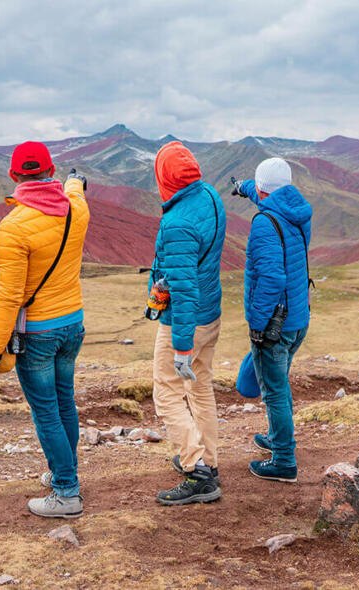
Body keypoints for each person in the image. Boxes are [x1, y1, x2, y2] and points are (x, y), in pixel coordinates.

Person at [0, 141, 90, 519]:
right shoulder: (77, 208)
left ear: (14, 176)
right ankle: (64, 473)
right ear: (51, 170)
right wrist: (75, 181)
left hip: (38, 334)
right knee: (64, 402)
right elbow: (74, 188)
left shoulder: (14, 227)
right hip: (72, 324)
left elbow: (9, 296)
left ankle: (66, 493)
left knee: (46, 413)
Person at [149, 140, 226, 506]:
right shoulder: (209, 196)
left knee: (166, 392)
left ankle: (198, 473)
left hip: (186, 321)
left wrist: (180, 346)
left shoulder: (178, 223)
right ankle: (207, 460)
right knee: (200, 387)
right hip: (210, 315)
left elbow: (184, 289)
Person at [233, 157, 312, 483]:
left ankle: (283, 460)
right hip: (298, 319)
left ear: (264, 191)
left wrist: (258, 324)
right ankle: (277, 438)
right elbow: (266, 193)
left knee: (275, 392)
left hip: (274, 325)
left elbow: (269, 279)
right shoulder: (298, 212)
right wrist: (243, 188)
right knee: (277, 384)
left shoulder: (264, 223)